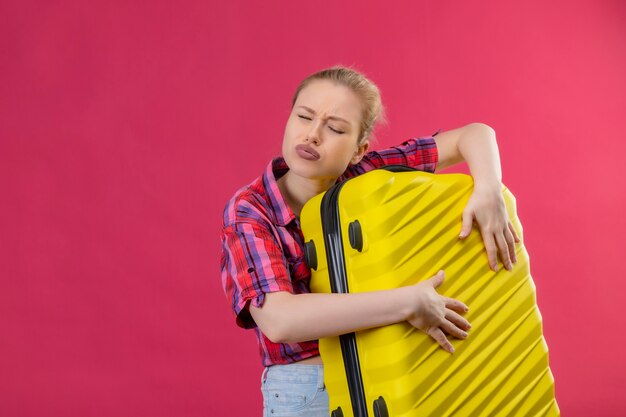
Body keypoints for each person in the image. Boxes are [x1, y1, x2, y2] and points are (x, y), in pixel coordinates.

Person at [220, 66, 520, 417]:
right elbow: (279, 320)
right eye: (304, 117)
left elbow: (475, 134)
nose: (313, 135)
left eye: (334, 128)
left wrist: (488, 190)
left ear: (360, 150)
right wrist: (407, 303)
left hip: (389, 367)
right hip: (309, 389)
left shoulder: (367, 174)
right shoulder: (250, 209)